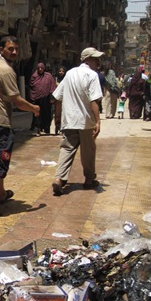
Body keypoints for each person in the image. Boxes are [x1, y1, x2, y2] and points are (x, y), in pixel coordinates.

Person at [0, 35, 40, 219]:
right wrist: (34, 108)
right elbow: (17, 101)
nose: (14, 52)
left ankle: (2, 194)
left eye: (16, 49)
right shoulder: (6, 70)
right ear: (1, 49)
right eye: (10, 49)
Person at [51, 46, 104, 196]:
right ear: (88, 60)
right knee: (88, 151)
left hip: (69, 120)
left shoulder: (69, 73)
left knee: (67, 149)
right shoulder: (92, 75)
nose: (98, 62)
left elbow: (57, 97)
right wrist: (98, 121)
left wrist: (57, 117)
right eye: (96, 59)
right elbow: (94, 100)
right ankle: (89, 179)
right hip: (85, 121)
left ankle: (59, 179)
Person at [29, 62, 56, 135]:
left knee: (46, 114)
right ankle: (38, 128)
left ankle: (47, 128)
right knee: (37, 114)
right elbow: (32, 87)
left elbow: (52, 86)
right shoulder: (34, 77)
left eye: (41, 68)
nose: (40, 69)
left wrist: (52, 98)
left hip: (46, 99)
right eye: (39, 68)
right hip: (36, 99)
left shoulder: (48, 76)